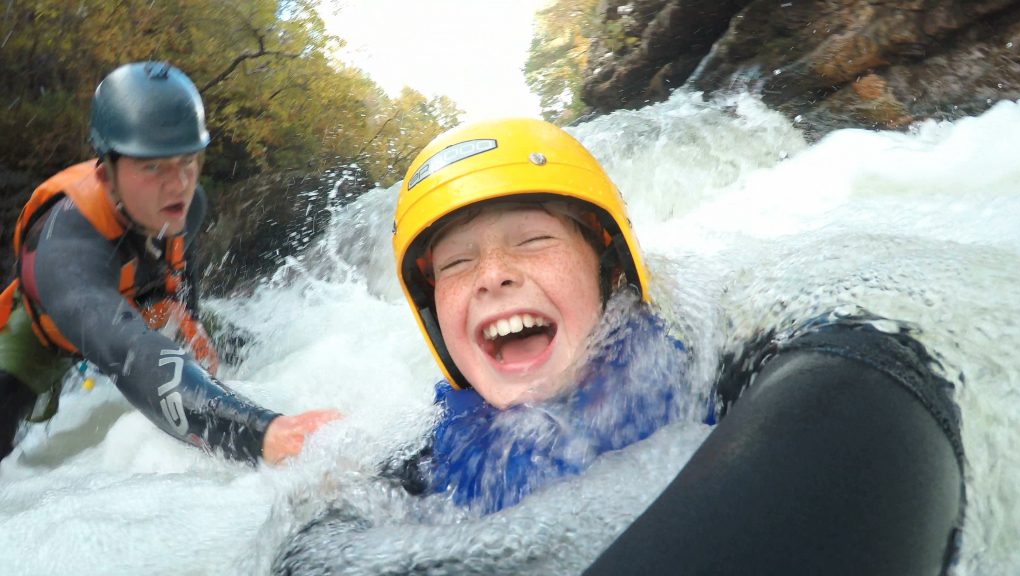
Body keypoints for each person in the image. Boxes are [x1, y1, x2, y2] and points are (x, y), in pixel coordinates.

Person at [382, 118, 965, 575]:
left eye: (532, 240)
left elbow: (871, 375)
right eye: (458, 263)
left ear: (610, 273)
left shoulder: (708, 367)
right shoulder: (422, 463)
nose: (493, 275)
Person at [0, 61, 338, 464]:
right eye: (153, 166)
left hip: (143, 300)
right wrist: (262, 434)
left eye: (187, 161)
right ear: (107, 174)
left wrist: (189, 318)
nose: (178, 184)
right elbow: (130, 354)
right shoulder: (67, 248)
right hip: (48, 331)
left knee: (242, 345)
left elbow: (181, 261)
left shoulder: (186, 205)